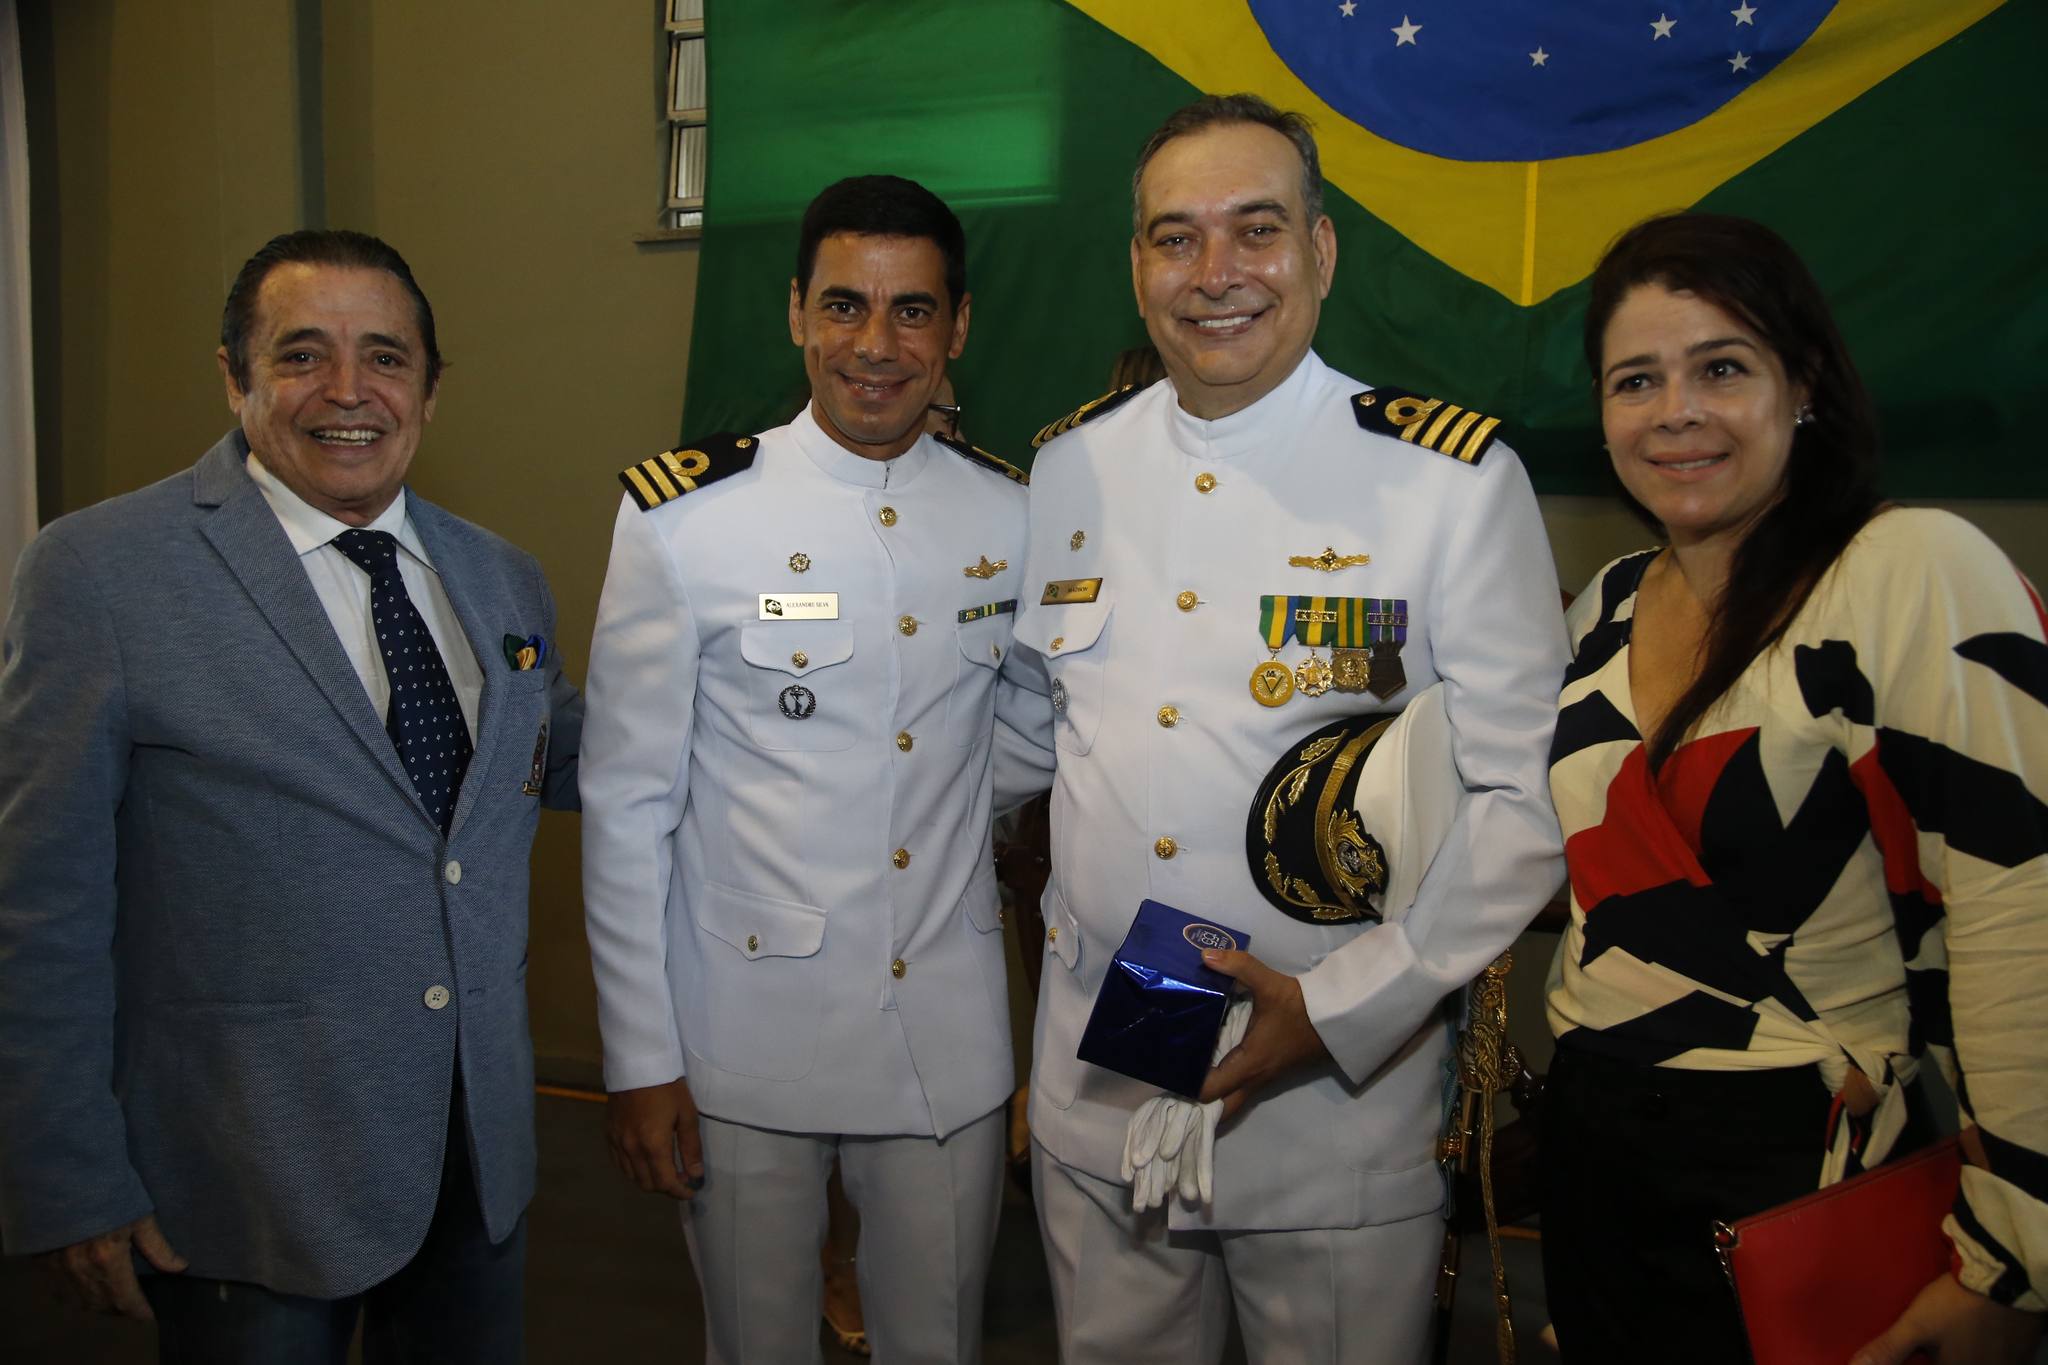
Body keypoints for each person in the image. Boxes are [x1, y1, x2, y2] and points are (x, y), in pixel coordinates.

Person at [999, 93, 1568, 1362]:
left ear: (1319, 250)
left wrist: (1341, 1010)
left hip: (1333, 1108)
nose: (1214, 273)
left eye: (1254, 230)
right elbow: (1038, 733)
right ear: (1135, 264)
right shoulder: (1071, 468)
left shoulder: (1446, 480)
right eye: (1174, 237)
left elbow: (1523, 803)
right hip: (1106, 1076)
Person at [0, 228, 583, 1363]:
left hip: (476, 1167)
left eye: (386, 357)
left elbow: (560, 754)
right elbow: (38, 906)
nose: (349, 391)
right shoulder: (99, 573)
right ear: (235, 378)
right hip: (245, 1182)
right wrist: (67, 1176)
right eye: (303, 354)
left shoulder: (499, 574)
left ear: (431, 388)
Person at [1539, 211, 2048, 1365]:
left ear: (1803, 383)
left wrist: (2015, 1256)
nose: (1673, 411)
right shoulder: (1604, 603)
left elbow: (2021, 907)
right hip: (1591, 1144)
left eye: (1719, 368)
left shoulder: (1905, 568)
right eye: (1634, 380)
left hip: (1802, 1155)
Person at [580, 174, 1033, 1365]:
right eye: (843, 306)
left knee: (939, 1343)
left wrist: (945, 803)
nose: (874, 345)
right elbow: (627, 805)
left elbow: (1030, 728)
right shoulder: (685, 518)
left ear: (957, 327)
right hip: (744, 1039)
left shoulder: (1010, 518)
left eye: (911, 311)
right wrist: (639, 1059)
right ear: (795, 313)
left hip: (943, 1035)